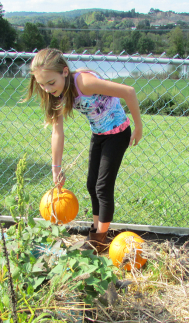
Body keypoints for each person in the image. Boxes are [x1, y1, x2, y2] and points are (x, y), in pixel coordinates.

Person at [26, 48, 143, 252]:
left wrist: (138, 127)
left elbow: (129, 91)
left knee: (102, 188)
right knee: (92, 185)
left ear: (64, 71)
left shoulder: (83, 82)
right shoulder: (56, 94)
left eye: (50, 83)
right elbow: (57, 132)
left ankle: (99, 242)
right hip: (98, 135)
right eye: (41, 84)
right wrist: (56, 167)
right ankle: (96, 234)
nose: (46, 89)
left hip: (117, 133)